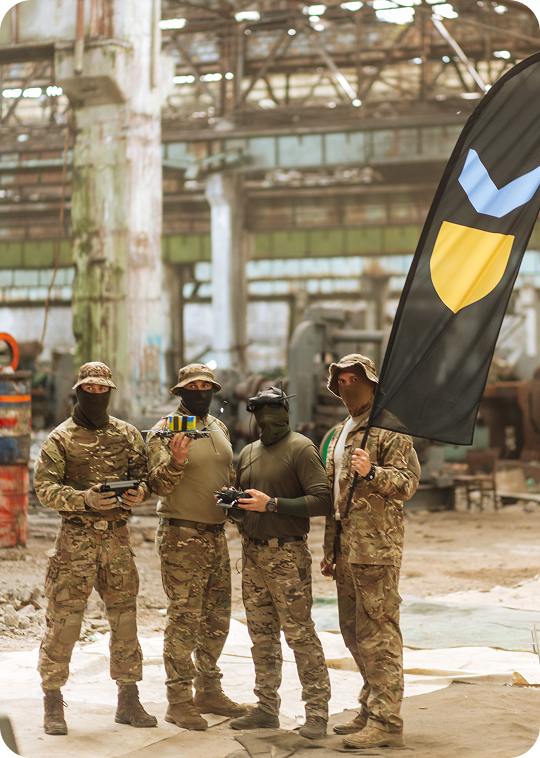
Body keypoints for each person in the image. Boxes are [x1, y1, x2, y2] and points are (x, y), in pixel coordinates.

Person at [34, 361, 157, 736]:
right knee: (64, 622)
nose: (96, 395)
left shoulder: (128, 434)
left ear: (110, 392)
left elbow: (144, 478)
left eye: (103, 390)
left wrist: (139, 493)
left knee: (125, 621)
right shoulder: (60, 438)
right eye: (90, 389)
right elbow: (44, 490)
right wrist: (84, 499)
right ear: (78, 391)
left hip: (117, 541)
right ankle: (53, 702)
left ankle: (129, 699)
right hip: (75, 543)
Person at [320, 354, 420, 750]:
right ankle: (370, 706)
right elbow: (337, 494)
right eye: (341, 380)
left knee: (378, 634)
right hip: (347, 547)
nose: (347, 386)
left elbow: (407, 483)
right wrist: (330, 548)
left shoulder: (391, 427)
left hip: (376, 547)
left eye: (354, 379)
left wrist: (373, 472)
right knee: (353, 633)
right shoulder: (343, 430)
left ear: (372, 383)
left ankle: (387, 721)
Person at [146, 363, 247, 731]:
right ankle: (178, 700)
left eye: (206, 386)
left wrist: (237, 502)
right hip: (182, 535)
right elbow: (157, 485)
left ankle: (208, 690)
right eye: (194, 386)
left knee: (217, 617)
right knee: (185, 618)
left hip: (215, 534)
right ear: (181, 391)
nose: (201, 391)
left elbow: (226, 474)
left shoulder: (218, 427)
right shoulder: (165, 430)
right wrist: (176, 460)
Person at [229, 387, 332, 740]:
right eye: (260, 410)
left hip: (287, 556)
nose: (266, 418)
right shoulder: (248, 452)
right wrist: (233, 506)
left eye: (273, 409)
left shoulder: (301, 448)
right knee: (261, 636)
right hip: (253, 554)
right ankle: (265, 708)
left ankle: (316, 712)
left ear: (285, 411)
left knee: (300, 635)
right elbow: (244, 502)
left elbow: (322, 500)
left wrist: (273, 504)